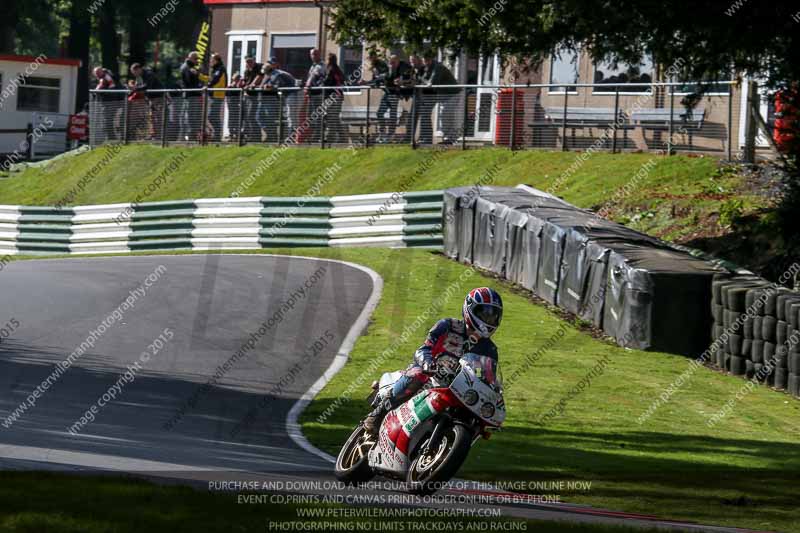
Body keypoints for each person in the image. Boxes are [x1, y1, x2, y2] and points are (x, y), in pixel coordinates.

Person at [364, 287, 504, 434]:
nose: (488, 320)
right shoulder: (448, 325)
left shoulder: (490, 350)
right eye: (484, 313)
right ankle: (378, 414)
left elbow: (487, 379)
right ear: (470, 308)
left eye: (493, 316)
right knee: (417, 374)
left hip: (459, 391)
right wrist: (427, 363)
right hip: (430, 377)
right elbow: (424, 349)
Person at [421, 51, 460, 144]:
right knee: (444, 116)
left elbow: (432, 82)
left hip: (452, 94)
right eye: (424, 61)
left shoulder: (437, 67)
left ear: (430, 59)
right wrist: (423, 80)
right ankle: (448, 138)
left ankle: (449, 139)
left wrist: (423, 80)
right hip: (444, 96)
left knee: (445, 116)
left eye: (426, 60)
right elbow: (424, 79)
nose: (425, 63)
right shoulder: (428, 68)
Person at [260, 60, 297, 142]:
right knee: (288, 116)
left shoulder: (276, 74)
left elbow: (280, 85)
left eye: (265, 72)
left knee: (291, 116)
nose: (265, 74)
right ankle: (291, 135)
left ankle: (292, 136)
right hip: (288, 95)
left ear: (268, 71)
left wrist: (270, 86)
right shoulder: (275, 73)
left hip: (292, 94)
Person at [130, 63, 164, 140]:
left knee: (158, 116)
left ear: (139, 69)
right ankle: (154, 135)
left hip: (158, 97)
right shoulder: (139, 76)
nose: (134, 74)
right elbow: (138, 86)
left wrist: (135, 89)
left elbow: (147, 86)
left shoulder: (149, 74)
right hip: (151, 98)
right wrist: (132, 90)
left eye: (134, 72)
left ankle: (161, 136)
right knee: (152, 117)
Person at [204, 53, 228, 143]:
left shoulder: (220, 68)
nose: (210, 61)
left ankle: (218, 135)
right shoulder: (215, 69)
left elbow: (215, 79)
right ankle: (217, 135)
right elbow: (210, 78)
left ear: (216, 61)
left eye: (212, 60)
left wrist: (208, 86)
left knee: (212, 116)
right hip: (214, 95)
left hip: (218, 95)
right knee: (214, 116)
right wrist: (199, 76)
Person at [179, 52, 203, 141]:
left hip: (190, 95)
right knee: (191, 116)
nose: (197, 61)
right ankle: (190, 136)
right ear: (191, 58)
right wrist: (197, 74)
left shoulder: (188, 67)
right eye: (196, 59)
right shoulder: (187, 68)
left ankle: (189, 135)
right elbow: (190, 82)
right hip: (191, 95)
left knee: (190, 115)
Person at [323, 52, 346, 144]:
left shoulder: (331, 70)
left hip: (333, 97)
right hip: (339, 96)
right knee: (335, 118)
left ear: (329, 60)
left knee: (331, 117)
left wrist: (320, 83)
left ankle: (330, 138)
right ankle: (342, 137)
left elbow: (327, 82)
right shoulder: (338, 70)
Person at [305, 48, 326, 142]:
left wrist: (307, 86)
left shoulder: (321, 65)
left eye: (315, 54)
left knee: (318, 116)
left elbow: (314, 77)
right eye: (312, 54)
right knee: (311, 116)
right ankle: (316, 135)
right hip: (312, 95)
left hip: (318, 94)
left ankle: (319, 136)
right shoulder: (313, 66)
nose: (313, 56)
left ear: (319, 55)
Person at [93, 67, 120, 141]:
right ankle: (111, 138)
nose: (97, 75)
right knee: (107, 120)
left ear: (101, 72)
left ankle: (112, 138)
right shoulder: (106, 76)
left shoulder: (105, 78)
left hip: (110, 102)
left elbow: (99, 89)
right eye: (96, 74)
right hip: (110, 101)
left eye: (98, 73)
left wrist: (96, 91)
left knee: (107, 120)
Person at [242, 57, 264, 141]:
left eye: (250, 61)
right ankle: (254, 135)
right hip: (248, 96)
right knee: (248, 116)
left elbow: (259, 77)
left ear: (254, 60)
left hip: (257, 96)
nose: (249, 63)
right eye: (247, 62)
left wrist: (252, 85)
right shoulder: (246, 71)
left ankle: (257, 136)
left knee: (252, 116)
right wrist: (244, 85)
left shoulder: (259, 67)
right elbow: (245, 82)